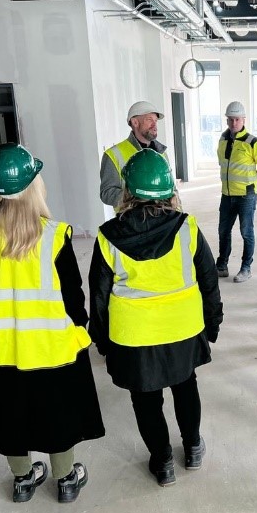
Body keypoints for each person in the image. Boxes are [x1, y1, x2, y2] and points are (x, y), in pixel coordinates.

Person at [0, 144, 104, 503]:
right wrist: (81, 331)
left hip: (3, 348)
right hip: (51, 346)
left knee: (11, 414)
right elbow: (74, 300)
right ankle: (66, 478)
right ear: (34, 186)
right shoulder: (54, 236)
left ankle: (23, 479)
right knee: (57, 411)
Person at [89, 149, 223, 487]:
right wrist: (213, 320)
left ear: (127, 192)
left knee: (145, 398)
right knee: (185, 386)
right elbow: (208, 278)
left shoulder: (107, 236)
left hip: (134, 338)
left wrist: (101, 340)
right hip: (182, 329)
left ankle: (162, 462)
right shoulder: (186, 226)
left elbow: (99, 296)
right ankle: (192, 446)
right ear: (168, 191)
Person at [216, 101, 257, 283]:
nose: (234, 123)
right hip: (227, 195)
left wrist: (251, 182)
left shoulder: (253, 142)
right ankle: (222, 265)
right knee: (223, 231)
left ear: (244, 120)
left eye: (237, 119)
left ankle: (246, 268)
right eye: (231, 119)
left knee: (246, 232)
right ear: (227, 120)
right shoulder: (223, 140)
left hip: (246, 196)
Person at [100, 100, 176, 209]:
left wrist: (177, 214)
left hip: (163, 220)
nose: (154, 125)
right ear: (135, 122)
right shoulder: (113, 154)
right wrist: (136, 200)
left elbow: (173, 189)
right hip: (130, 222)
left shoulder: (162, 153)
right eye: (149, 120)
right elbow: (106, 193)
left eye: (156, 120)